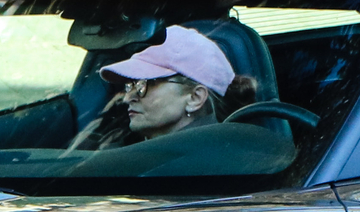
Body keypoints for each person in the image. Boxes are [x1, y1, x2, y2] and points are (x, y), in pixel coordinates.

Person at [87, 27, 252, 147]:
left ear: (195, 98)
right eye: (130, 85)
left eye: (145, 84)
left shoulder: (209, 161)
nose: (127, 97)